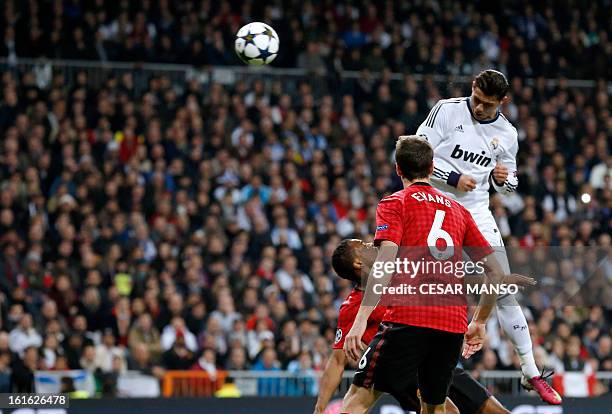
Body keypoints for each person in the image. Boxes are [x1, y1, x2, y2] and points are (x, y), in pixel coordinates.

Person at [415, 69, 561, 405]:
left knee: (504, 287)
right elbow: (416, 152)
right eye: (477, 99)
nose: (479, 108)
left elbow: (510, 184)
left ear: (502, 102)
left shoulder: (508, 133)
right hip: (437, 206)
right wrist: (453, 176)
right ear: (473, 88)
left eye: (487, 104)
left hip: (477, 212)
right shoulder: (447, 110)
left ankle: (531, 371)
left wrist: (502, 179)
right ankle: (421, 361)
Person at [340, 136, 516, 414]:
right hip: (452, 322)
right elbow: (495, 271)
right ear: (433, 168)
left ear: (398, 169)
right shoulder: (459, 211)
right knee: (434, 409)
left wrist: (361, 319)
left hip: (409, 317)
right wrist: (480, 321)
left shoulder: (395, 203)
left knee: (357, 398)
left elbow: (386, 259)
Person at [314, 238, 529, 414]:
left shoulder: (402, 272)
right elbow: (337, 361)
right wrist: (319, 409)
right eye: (364, 247)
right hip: (406, 369)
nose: (372, 244)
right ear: (358, 264)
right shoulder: (352, 306)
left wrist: (500, 277)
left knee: (497, 412)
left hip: (438, 360)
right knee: (448, 412)